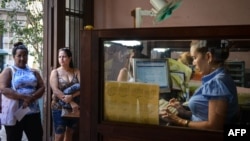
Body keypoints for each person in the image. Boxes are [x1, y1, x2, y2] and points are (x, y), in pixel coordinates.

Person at [159, 40, 239, 130]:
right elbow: (204, 115)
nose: (193, 63)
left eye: (195, 58)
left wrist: (179, 121)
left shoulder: (216, 83)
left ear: (208, 57)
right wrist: (183, 112)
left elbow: (214, 126)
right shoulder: (219, 77)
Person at [0, 42, 45, 141]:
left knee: (37, 137)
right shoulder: (8, 71)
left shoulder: (33, 71)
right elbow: (3, 89)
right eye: (19, 55)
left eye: (24, 55)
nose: (22, 58)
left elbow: (42, 87)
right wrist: (24, 97)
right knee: (13, 138)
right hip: (15, 113)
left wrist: (31, 98)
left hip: (33, 112)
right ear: (14, 57)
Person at [50, 47, 80, 141]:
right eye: (59, 57)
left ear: (70, 58)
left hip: (74, 107)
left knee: (70, 133)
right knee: (59, 135)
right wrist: (71, 102)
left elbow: (84, 88)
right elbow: (55, 90)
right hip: (59, 107)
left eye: (64, 57)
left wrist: (72, 97)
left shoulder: (76, 71)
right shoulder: (55, 72)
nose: (61, 59)